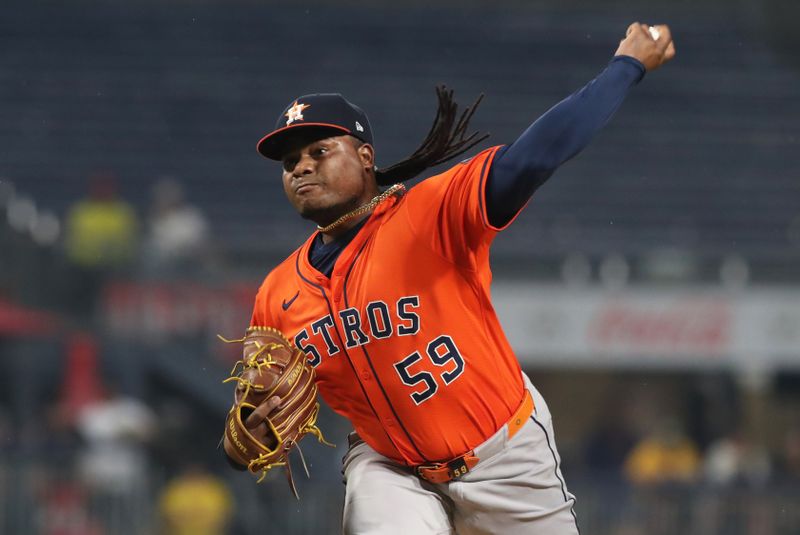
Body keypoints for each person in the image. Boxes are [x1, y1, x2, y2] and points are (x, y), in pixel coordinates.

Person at [227, 22, 675, 534]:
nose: (301, 168)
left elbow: (535, 155)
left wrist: (626, 66)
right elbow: (250, 431)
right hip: (391, 470)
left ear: (366, 156)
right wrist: (244, 440)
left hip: (505, 459)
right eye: (289, 163)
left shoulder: (432, 213)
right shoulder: (277, 295)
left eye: (319, 151)